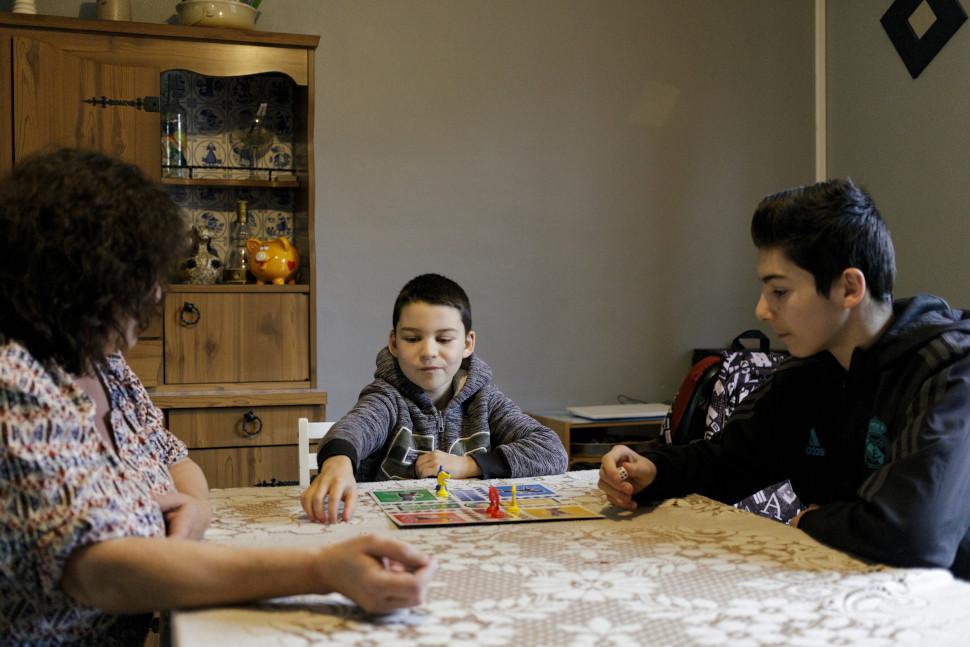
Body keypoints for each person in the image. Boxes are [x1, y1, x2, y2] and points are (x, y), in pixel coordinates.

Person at [0, 149, 436, 645]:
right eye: (144, 277)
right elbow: (100, 570)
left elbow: (174, 457)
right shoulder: (14, 382)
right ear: (84, 280)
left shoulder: (104, 364)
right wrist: (322, 569)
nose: (156, 297)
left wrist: (196, 507)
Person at [599, 178, 970, 579]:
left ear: (849, 288)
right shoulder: (808, 372)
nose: (762, 310)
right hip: (841, 583)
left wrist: (813, 521)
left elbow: (914, 536)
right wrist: (653, 470)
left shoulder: (949, 369)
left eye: (779, 291)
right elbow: (729, 461)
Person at [301, 273, 568, 523]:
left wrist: (468, 465)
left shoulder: (486, 399)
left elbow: (551, 451)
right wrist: (339, 463)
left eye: (444, 339)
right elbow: (354, 428)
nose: (428, 351)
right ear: (393, 343)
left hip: (469, 531)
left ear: (467, 344)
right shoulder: (386, 397)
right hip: (390, 535)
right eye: (413, 338)